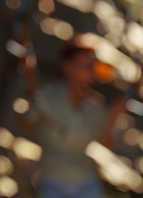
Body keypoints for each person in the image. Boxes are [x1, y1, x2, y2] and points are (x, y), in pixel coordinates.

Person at [19, 35, 126, 198]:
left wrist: (114, 115)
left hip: (85, 182)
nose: (91, 70)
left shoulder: (96, 107)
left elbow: (107, 142)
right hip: (51, 180)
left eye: (92, 65)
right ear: (68, 67)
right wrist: (27, 82)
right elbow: (25, 125)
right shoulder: (49, 96)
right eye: (85, 65)